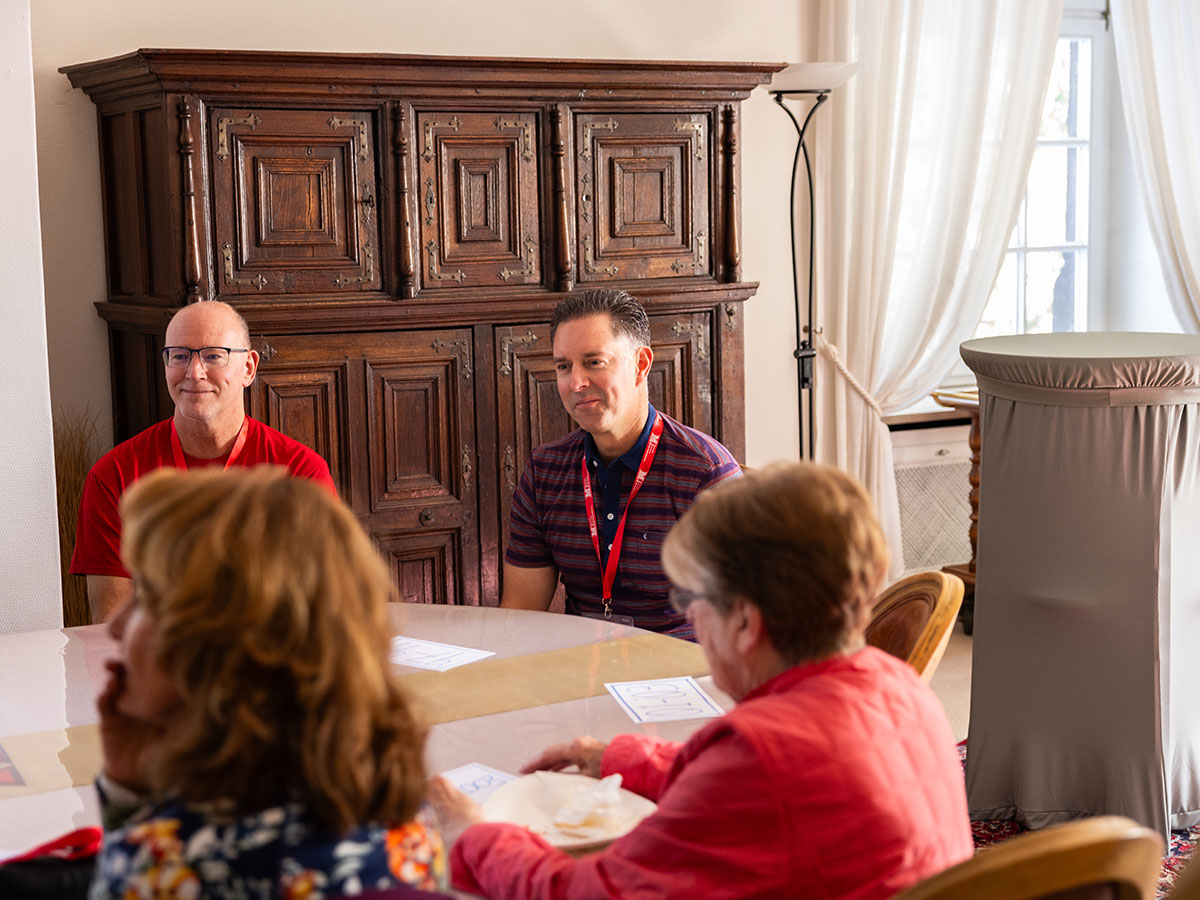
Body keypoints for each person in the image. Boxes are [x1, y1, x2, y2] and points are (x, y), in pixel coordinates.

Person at [431, 462, 974, 900]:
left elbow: (587, 890)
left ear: (744, 622)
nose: (688, 618)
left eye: (691, 599)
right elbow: (752, 791)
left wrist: (473, 836)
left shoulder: (759, 753)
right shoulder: (895, 683)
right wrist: (618, 758)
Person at [91, 467, 447, 898]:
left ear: (218, 641)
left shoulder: (163, 867)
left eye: (145, 596)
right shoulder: (407, 816)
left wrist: (126, 803)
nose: (115, 625)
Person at [70, 300, 334, 622]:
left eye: (213, 355)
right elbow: (111, 624)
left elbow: (320, 613)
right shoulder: (114, 476)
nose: (194, 373)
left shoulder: (301, 473)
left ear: (248, 368)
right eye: (180, 356)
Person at [501, 289, 741, 638]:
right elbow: (520, 614)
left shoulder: (704, 472)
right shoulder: (544, 471)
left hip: (681, 678)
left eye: (594, 362)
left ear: (641, 364)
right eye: (563, 367)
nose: (576, 383)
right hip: (579, 672)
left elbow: (744, 623)